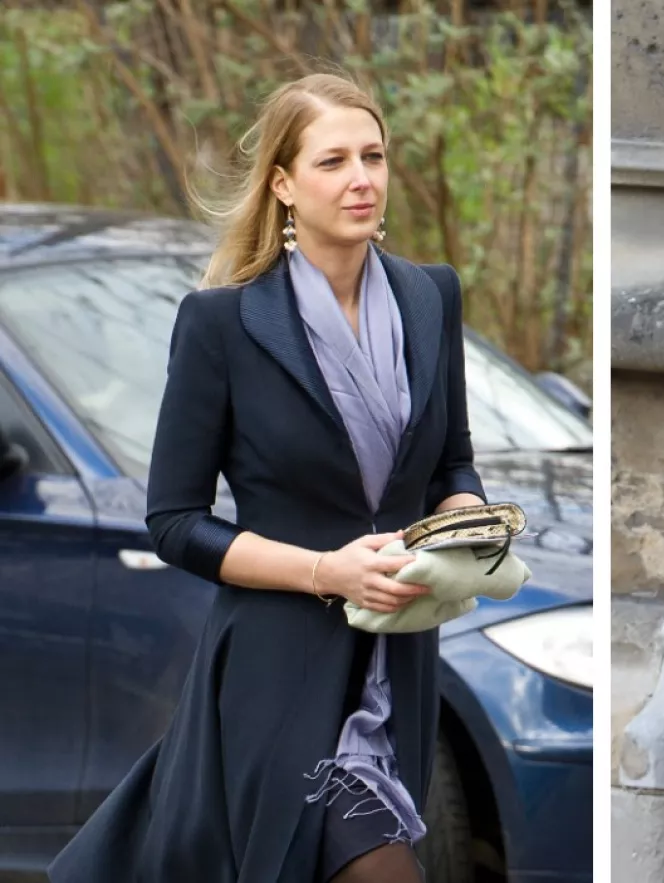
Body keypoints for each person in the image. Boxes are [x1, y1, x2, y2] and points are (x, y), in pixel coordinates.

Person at [48, 72, 485, 883]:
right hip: (278, 671)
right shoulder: (223, 323)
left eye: (374, 155)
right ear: (283, 184)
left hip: (400, 662)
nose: (361, 178)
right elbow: (174, 520)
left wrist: (464, 520)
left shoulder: (432, 297)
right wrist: (325, 569)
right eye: (332, 161)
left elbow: (453, 458)